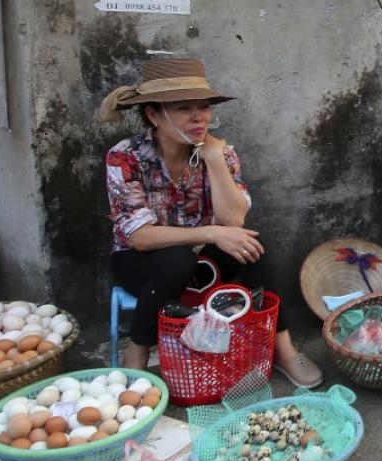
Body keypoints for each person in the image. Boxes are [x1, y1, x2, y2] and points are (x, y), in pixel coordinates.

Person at [100, 58, 323, 388]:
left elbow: (234, 220)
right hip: (145, 261)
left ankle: (283, 349)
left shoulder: (220, 152)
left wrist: (215, 160)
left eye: (204, 107)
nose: (198, 117)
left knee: (253, 248)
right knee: (178, 257)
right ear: (153, 114)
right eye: (183, 108)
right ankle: (139, 352)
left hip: (204, 257)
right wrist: (211, 232)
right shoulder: (126, 156)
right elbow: (141, 237)